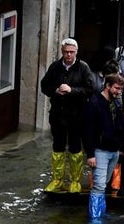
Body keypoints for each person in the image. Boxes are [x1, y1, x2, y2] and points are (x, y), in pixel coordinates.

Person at [40, 38, 95, 193]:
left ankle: (75, 180)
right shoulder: (55, 67)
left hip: (77, 115)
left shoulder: (83, 68)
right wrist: (55, 90)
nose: (68, 55)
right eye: (66, 52)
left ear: (76, 52)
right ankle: (57, 179)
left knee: (75, 147)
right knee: (57, 146)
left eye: (71, 52)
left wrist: (72, 90)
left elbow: (90, 89)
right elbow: (44, 85)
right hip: (58, 114)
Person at [84, 73, 124, 224]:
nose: (118, 91)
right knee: (99, 185)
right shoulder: (94, 103)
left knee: (104, 183)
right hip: (100, 150)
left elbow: (118, 126)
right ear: (107, 86)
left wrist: (121, 147)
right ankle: (95, 219)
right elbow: (87, 130)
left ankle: (99, 214)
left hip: (113, 150)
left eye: (120, 89)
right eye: (116, 88)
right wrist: (90, 154)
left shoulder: (115, 103)